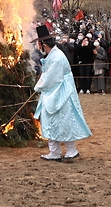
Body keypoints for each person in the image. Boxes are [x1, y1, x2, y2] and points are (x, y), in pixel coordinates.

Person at [33, 26, 92, 162]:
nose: (38, 46)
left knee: (63, 122)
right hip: (53, 92)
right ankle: (55, 151)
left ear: (44, 44)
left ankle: (71, 151)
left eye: (39, 43)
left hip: (61, 93)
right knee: (50, 121)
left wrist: (39, 86)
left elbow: (51, 77)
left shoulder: (57, 57)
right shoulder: (52, 55)